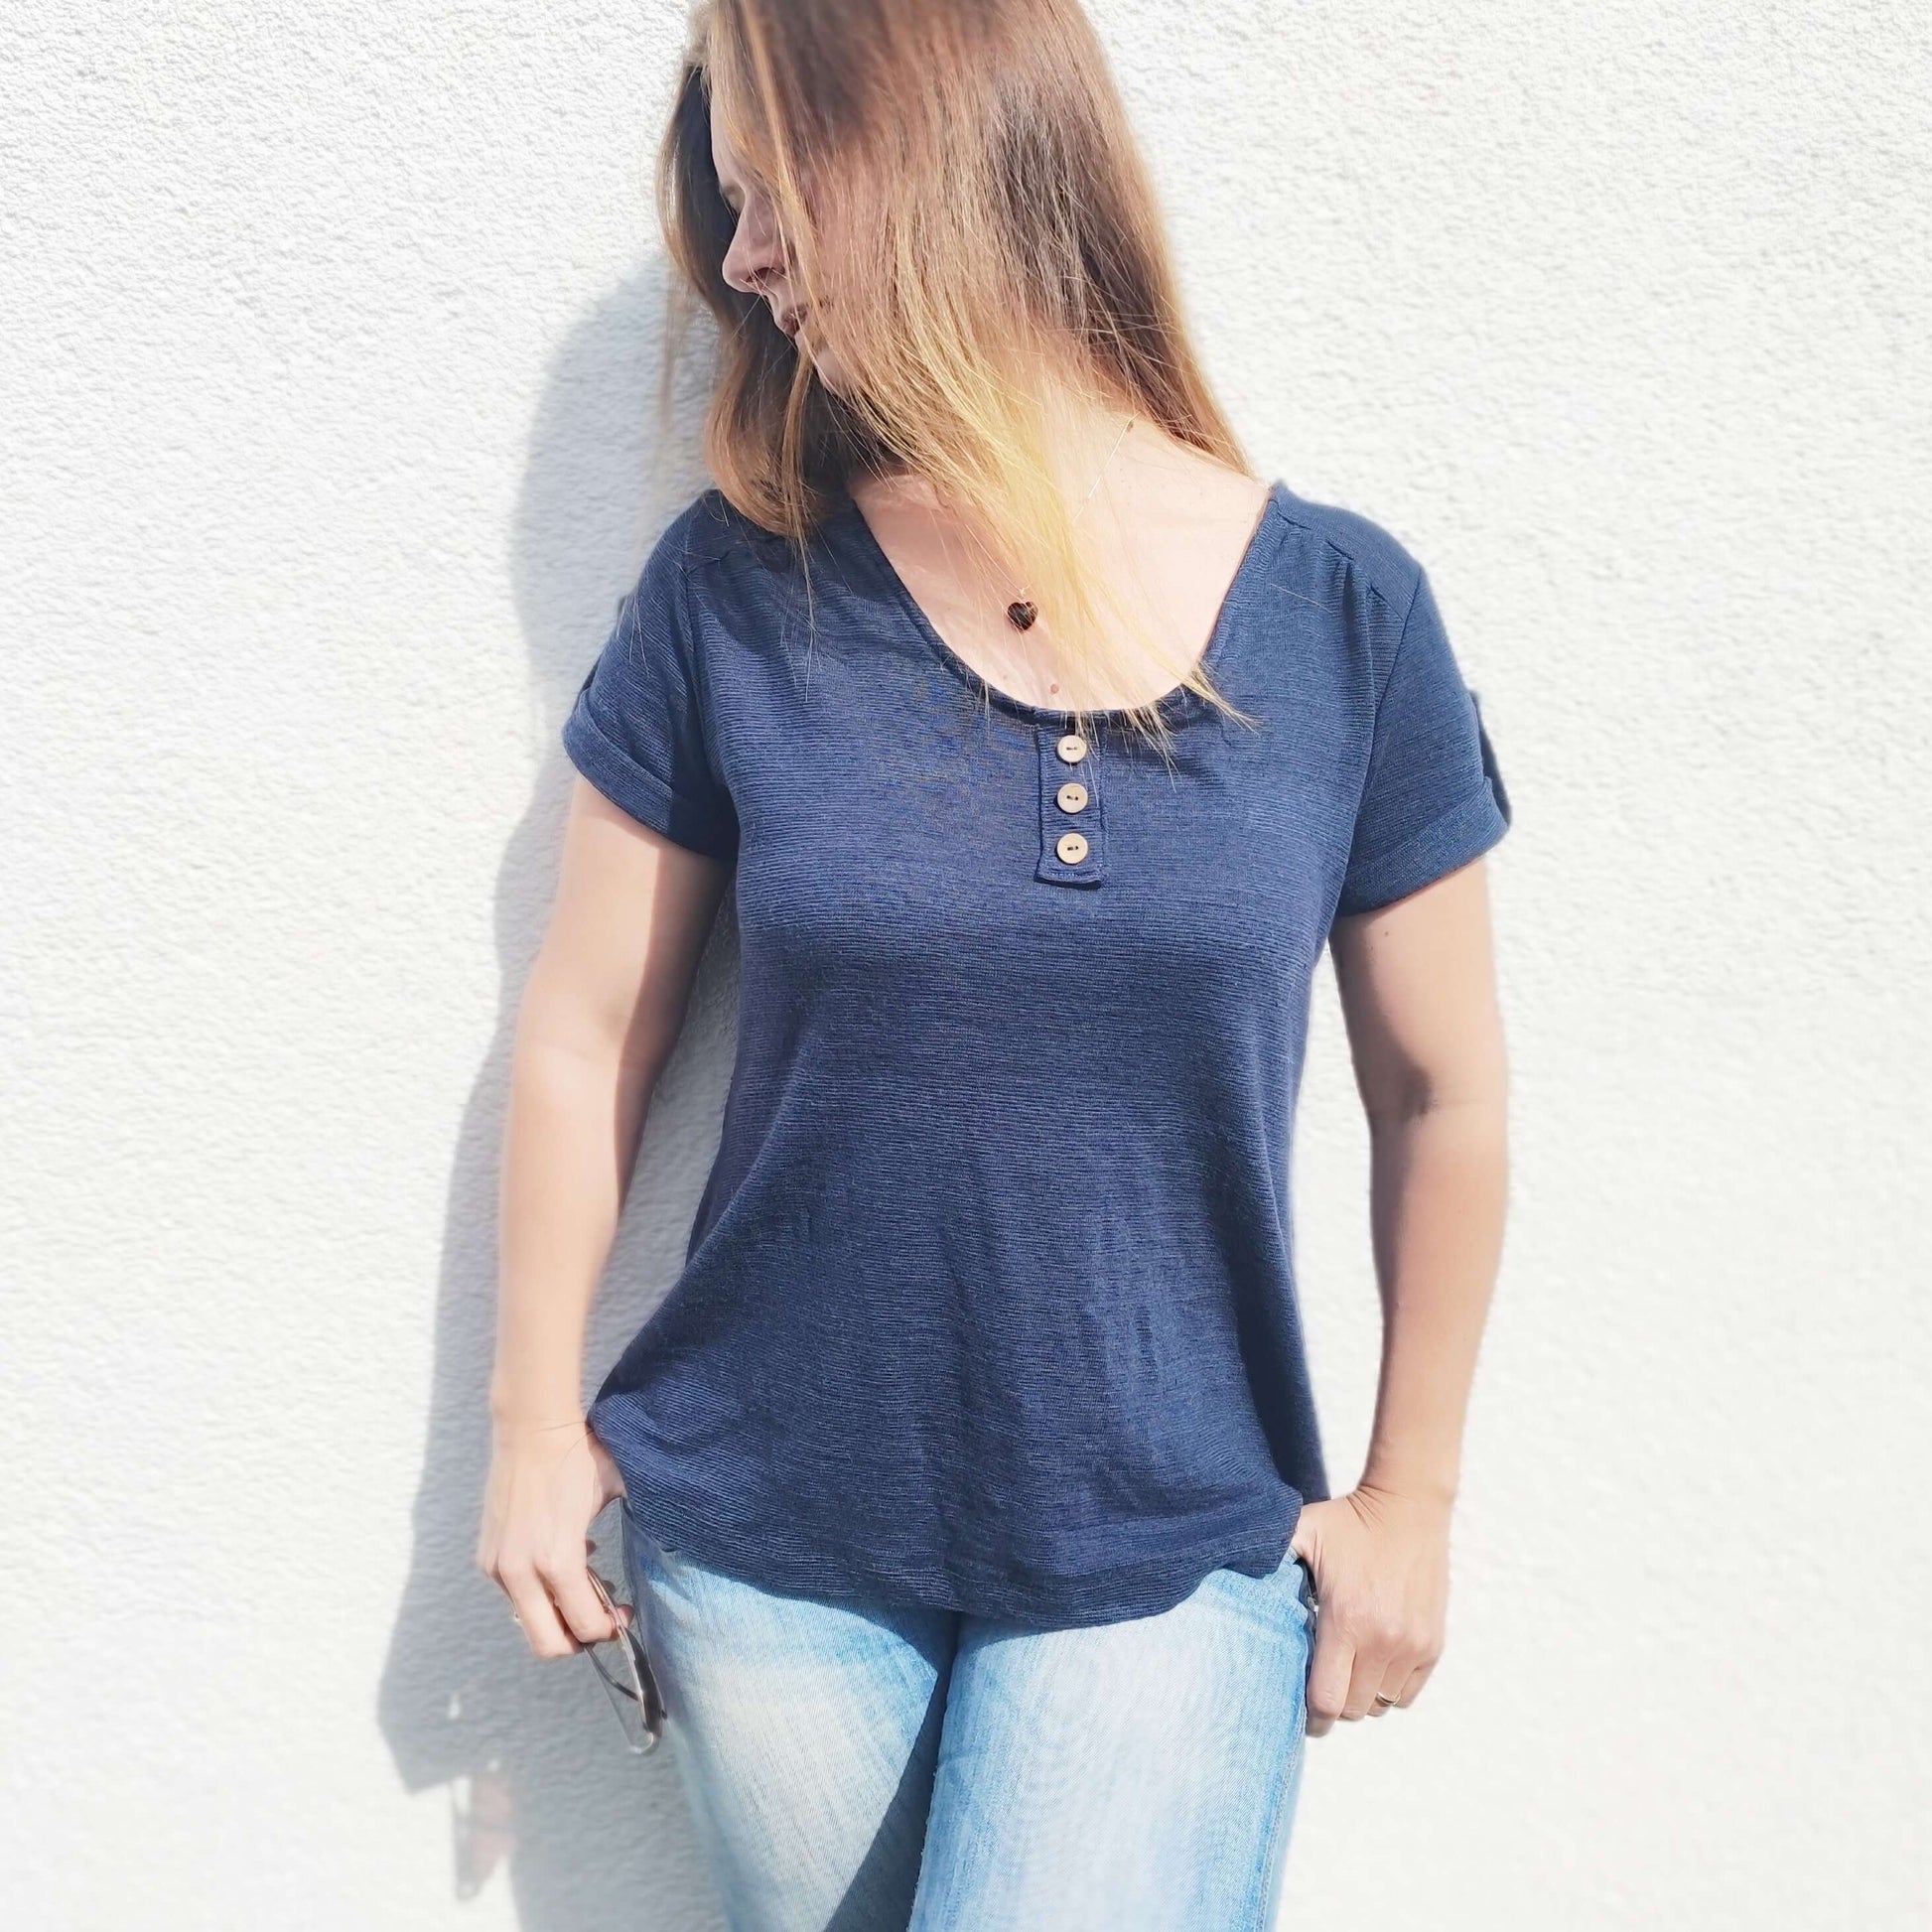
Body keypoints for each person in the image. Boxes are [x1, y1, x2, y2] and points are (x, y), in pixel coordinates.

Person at [478, 0, 1514, 1924]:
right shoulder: (737, 589)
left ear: (946, 140)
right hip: (767, 1547)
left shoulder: (1344, 615)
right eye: (729, 209)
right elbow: (585, 1022)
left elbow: (1439, 1088)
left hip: (1173, 1537)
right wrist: (532, 1430)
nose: (746, 261)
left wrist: (1412, 1499)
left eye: (776, 193)